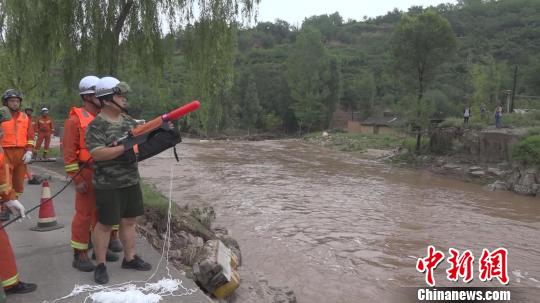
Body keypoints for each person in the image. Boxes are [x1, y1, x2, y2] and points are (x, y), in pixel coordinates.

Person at [86, 77, 151, 284]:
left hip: (130, 180)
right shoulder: (97, 125)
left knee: (129, 221)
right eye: (119, 95)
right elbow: (97, 153)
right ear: (106, 99)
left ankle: (130, 258)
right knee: (105, 225)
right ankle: (101, 265)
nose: (124, 99)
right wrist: (124, 147)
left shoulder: (128, 121)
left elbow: (144, 138)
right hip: (108, 184)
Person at [64, 76, 123, 272]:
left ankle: (100, 250)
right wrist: (77, 178)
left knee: (102, 213)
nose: (103, 98)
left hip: (105, 172)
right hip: (86, 172)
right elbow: (69, 154)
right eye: (99, 95)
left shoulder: (104, 116)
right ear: (88, 96)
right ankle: (79, 254)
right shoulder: (75, 120)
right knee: (84, 214)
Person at [0, 105, 37, 296]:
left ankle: (9, 283)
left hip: (19, 153)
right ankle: (9, 284)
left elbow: (1, 173)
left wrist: (9, 199)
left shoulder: (24, 119)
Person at [0, 90, 34, 221]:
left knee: (19, 183)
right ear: (6, 103)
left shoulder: (25, 117)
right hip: (5, 152)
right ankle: (4, 209)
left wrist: (30, 150)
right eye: (11, 101)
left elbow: (30, 135)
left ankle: (13, 204)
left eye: (17, 101)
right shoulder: (1, 116)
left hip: (21, 153)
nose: (15, 104)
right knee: (5, 182)